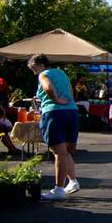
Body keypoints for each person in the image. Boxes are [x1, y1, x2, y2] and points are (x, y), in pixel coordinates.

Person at [27, 54, 80, 201]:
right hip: (72, 111)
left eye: (33, 68)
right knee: (66, 151)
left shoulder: (43, 74)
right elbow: (70, 90)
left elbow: (47, 87)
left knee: (59, 153)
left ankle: (58, 189)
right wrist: (67, 102)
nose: (33, 72)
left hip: (54, 113)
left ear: (39, 64)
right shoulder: (61, 73)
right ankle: (73, 181)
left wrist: (56, 99)